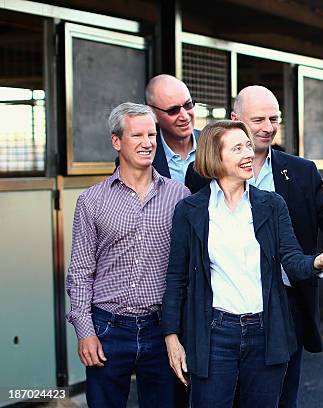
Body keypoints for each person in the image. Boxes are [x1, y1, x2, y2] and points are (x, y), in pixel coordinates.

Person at [185, 85, 323, 408]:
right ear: (235, 120)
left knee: (279, 399)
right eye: (258, 119)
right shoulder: (200, 177)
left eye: (273, 119)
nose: (267, 127)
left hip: (285, 304)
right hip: (222, 312)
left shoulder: (302, 172)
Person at [65, 102, 190, 408]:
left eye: (151, 134)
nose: (147, 143)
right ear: (117, 141)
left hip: (162, 330)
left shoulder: (180, 195)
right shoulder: (91, 201)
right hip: (108, 328)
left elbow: (188, 267)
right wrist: (85, 331)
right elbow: (81, 271)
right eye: (137, 135)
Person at [145, 74, 199, 184]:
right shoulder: (141, 156)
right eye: (173, 110)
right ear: (152, 113)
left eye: (188, 105)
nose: (184, 116)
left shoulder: (216, 144)